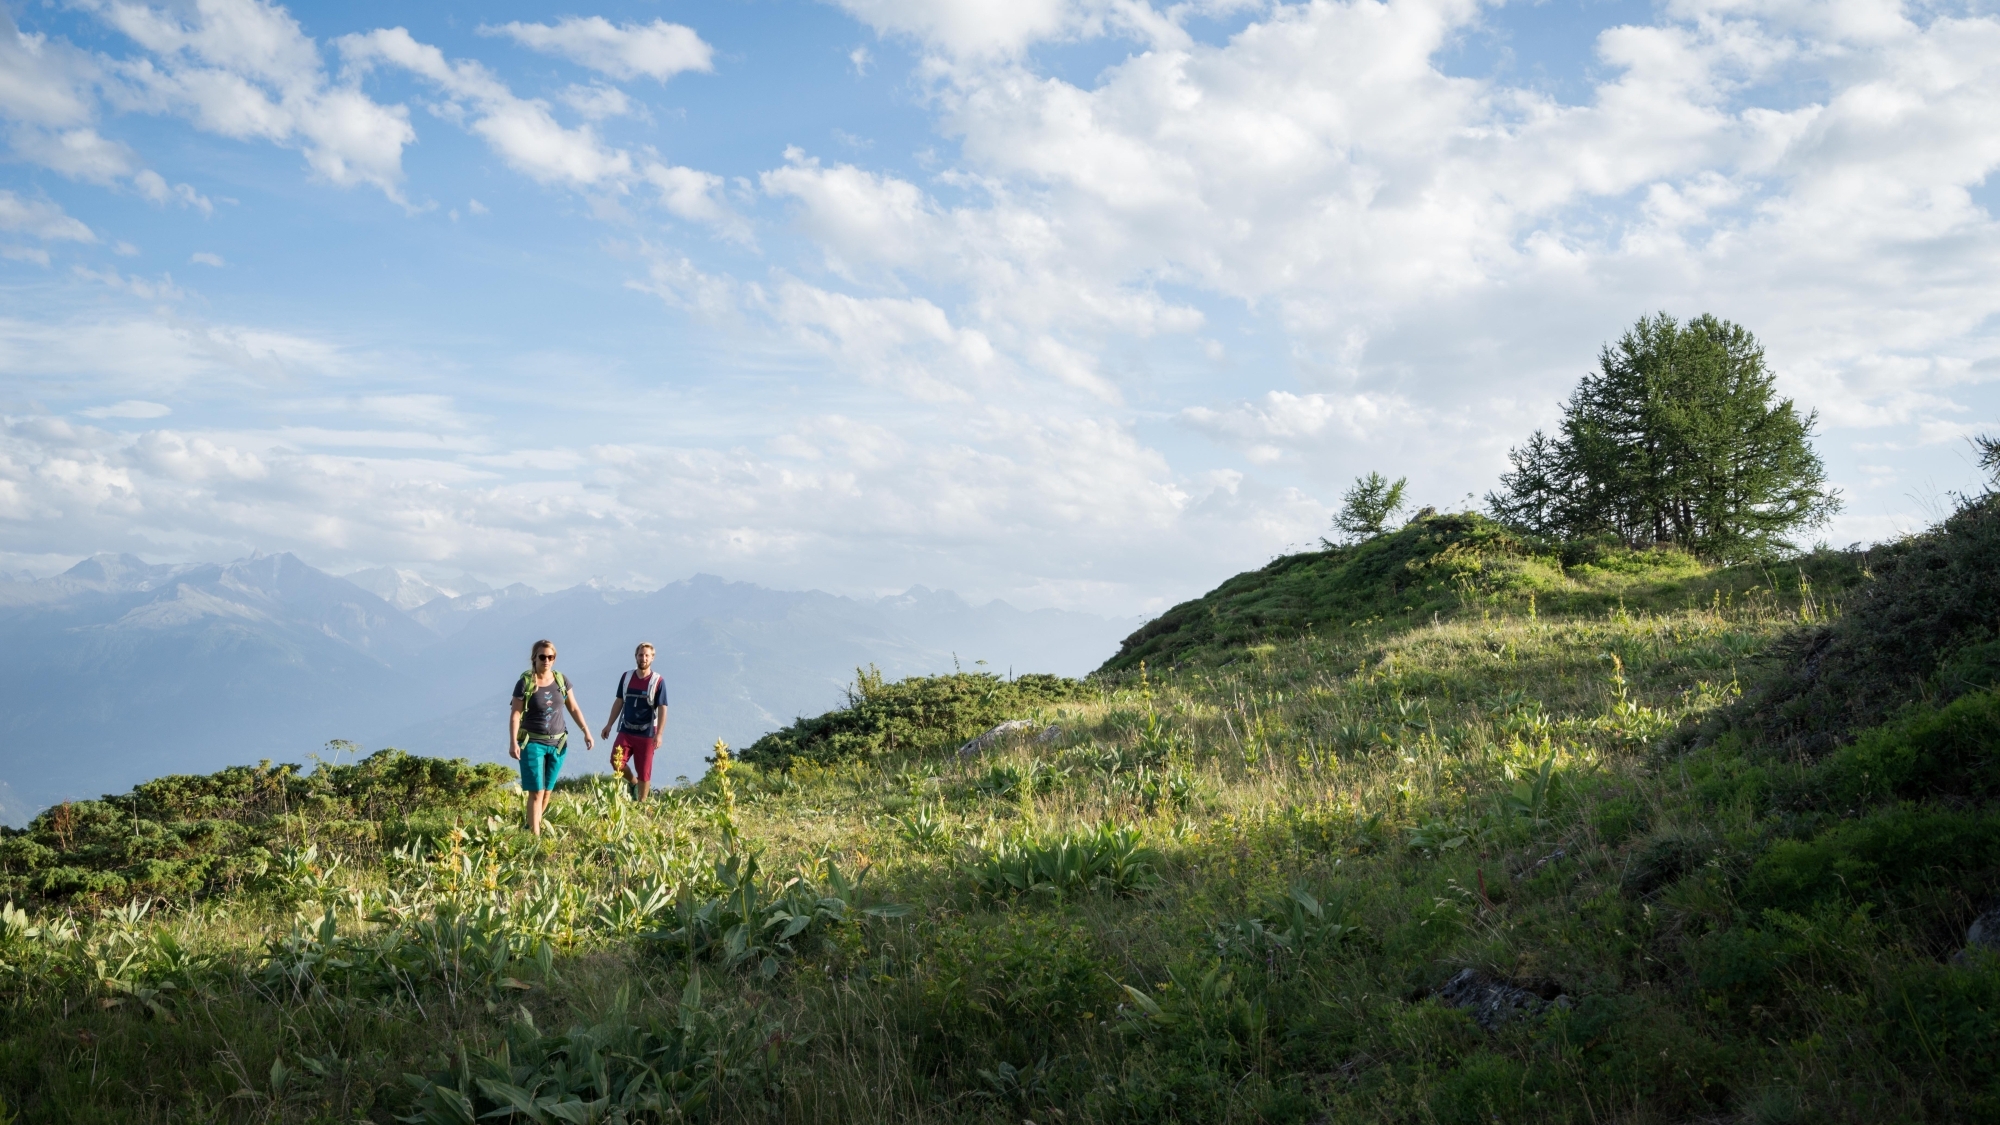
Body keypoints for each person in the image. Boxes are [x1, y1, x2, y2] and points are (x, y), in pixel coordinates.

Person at [509, 639, 593, 834]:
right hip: (532, 743)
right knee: (536, 791)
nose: (546, 660)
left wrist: (586, 731)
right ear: (534, 658)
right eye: (542, 657)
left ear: (554, 659)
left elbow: (573, 707)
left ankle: (530, 825)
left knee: (547, 791)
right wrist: (513, 742)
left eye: (550, 657)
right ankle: (534, 838)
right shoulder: (525, 683)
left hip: (558, 743)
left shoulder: (561, 680)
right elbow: (515, 714)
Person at [601, 642, 668, 800]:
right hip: (626, 729)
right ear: (635, 656)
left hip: (647, 733)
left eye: (647, 655)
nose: (643, 658)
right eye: (640, 655)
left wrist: (659, 735)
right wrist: (609, 724)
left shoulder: (658, 681)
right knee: (616, 762)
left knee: (644, 770)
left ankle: (641, 803)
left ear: (652, 658)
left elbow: (662, 708)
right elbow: (619, 701)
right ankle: (633, 783)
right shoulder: (627, 677)